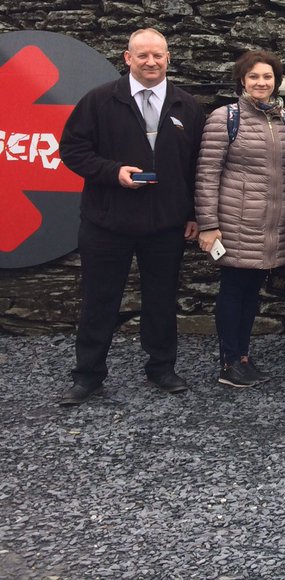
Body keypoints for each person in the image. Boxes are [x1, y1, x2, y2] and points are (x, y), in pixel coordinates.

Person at [57, 28, 205, 405]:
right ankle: (88, 375)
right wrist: (113, 172)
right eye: (142, 55)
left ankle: (162, 368)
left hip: (165, 225)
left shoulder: (187, 105)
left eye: (157, 55)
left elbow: (195, 166)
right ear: (127, 58)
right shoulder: (99, 100)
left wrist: (192, 213)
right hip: (107, 222)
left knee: (162, 299)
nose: (151, 62)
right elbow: (72, 150)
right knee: (99, 300)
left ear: (168, 58)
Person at [195, 50, 285, 388]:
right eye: (254, 77)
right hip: (235, 222)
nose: (261, 83)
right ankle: (229, 362)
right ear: (242, 80)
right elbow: (207, 174)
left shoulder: (284, 119)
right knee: (234, 289)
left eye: (267, 77)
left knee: (252, 292)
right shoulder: (225, 117)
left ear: (276, 82)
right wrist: (209, 225)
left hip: (270, 224)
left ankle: (243, 357)